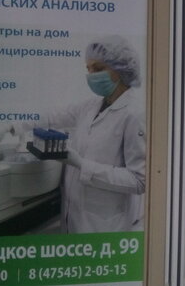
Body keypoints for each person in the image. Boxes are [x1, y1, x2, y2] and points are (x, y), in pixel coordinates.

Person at [45, 36, 146, 233]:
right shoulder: (92, 106)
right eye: (89, 69)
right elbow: (54, 117)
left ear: (120, 69)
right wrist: (11, 127)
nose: (91, 75)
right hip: (73, 219)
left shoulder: (135, 114)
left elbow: (139, 181)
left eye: (98, 68)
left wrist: (80, 164)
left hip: (105, 226)